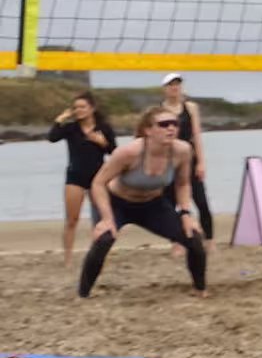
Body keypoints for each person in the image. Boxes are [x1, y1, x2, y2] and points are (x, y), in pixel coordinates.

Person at [77, 109, 208, 298]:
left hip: (151, 205)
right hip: (116, 203)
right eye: (163, 124)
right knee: (104, 239)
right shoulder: (129, 152)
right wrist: (106, 218)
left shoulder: (183, 151)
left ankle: (200, 289)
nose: (170, 128)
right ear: (148, 130)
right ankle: (83, 293)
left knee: (193, 237)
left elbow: (182, 183)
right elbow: (97, 183)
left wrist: (186, 213)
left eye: (174, 124)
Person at [47, 91, 117, 265]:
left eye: (82, 107)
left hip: (98, 179)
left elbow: (115, 153)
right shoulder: (71, 128)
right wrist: (61, 118)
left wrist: (103, 143)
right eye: (75, 107)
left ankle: (98, 257)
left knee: (100, 220)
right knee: (72, 220)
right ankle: (68, 259)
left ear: (92, 108)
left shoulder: (104, 128)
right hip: (75, 177)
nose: (78, 110)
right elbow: (52, 137)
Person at [156, 73, 216, 240]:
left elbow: (196, 135)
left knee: (201, 202)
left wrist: (201, 163)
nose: (175, 88)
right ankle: (176, 241)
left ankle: (209, 239)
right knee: (170, 204)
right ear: (164, 89)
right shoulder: (159, 110)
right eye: (171, 85)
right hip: (169, 162)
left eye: (177, 84)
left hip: (190, 159)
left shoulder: (190, 107)